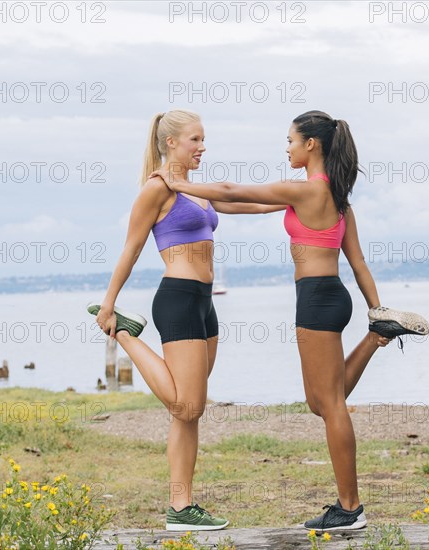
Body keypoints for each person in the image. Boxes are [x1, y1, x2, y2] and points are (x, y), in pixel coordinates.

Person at [151, 110, 429, 532]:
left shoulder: (306, 190)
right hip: (333, 296)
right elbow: (357, 262)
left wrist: (180, 183)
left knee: (331, 405)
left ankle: (349, 508)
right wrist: (376, 307)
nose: (288, 148)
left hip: (316, 300)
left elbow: (231, 187)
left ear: (311, 145)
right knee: (322, 400)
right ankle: (377, 332)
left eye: (291, 141)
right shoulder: (337, 197)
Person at [87, 109, 285, 531]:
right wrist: (109, 303)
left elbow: (238, 203)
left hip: (203, 301)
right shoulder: (156, 189)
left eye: (203, 139)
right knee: (186, 403)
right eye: (195, 139)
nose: (202, 147)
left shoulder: (194, 188)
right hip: (176, 298)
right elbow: (131, 248)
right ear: (171, 142)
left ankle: (182, 506)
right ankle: (123, 331)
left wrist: (289, 201)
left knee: (188, 414)